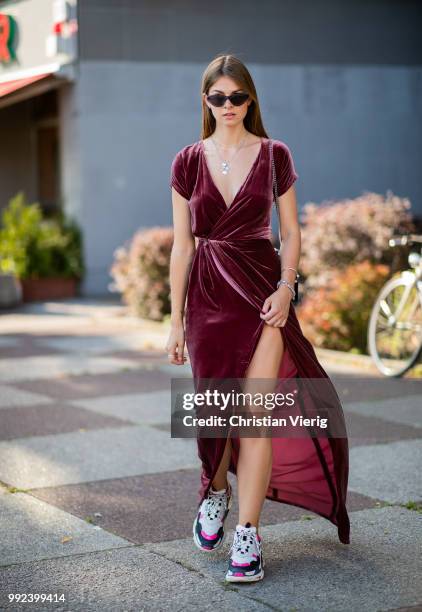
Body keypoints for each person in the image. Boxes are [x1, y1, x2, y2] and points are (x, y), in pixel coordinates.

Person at [166, 54, 350, 583]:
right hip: (205, 296)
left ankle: (247, 534)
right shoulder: (185, 161)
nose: (228, 106)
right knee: (215, 417)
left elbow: (290, 231)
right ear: (205, 101)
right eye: (218, 97)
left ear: (251, 100)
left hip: (261, 293)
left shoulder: (275, 155)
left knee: (253, 416)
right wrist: (174, 320)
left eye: (237, 97)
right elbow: (183, 245)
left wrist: (287, 288)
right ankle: (216, 491)